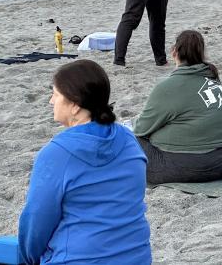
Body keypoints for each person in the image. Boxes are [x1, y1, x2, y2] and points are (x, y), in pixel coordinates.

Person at [18, 60, 151, 265]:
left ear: (75, 105)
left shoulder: (57, 154)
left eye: (55, 94)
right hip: (136, 257)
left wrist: (28, 259)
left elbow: (36, 223)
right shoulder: (128, 140)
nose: (50, 101)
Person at [133, 30, 222, 184]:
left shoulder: (168, 87)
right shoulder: (212, 79)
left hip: (188, 167)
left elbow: (141, 129)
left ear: (174, 51)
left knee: (130, 139)